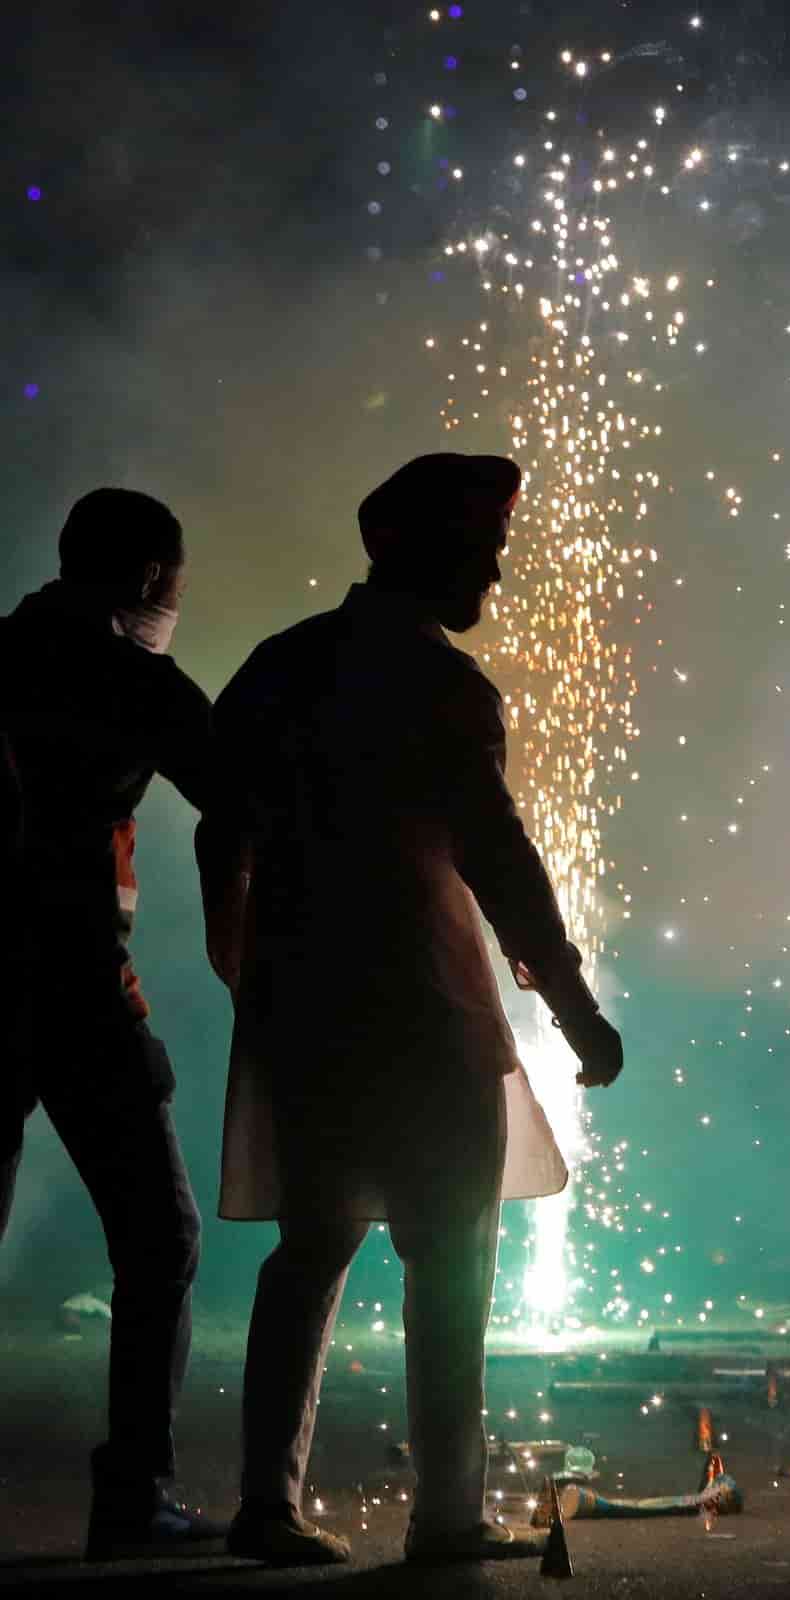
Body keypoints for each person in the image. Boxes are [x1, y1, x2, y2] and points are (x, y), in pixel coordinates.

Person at [200, 453, 623, 1566]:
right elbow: (502, 863)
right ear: (412, 546)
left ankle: (266, 1505)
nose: (494, 571)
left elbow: (217, 822)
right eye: (479, 547)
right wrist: (575, 1009)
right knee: (450, 1261)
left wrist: (243, 961)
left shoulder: (281, 666)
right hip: (429, 1007)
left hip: (305, 1007)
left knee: (310, 1248)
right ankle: (445, 1515)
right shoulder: (442, 687)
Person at [0, 488, 224, 1559]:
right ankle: (134, 1493)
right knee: (159, 1239)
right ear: (146, 577)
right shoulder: (132, 678)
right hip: (79, 990)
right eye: (174, 584)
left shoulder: (4, 651)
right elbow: (247, 788)